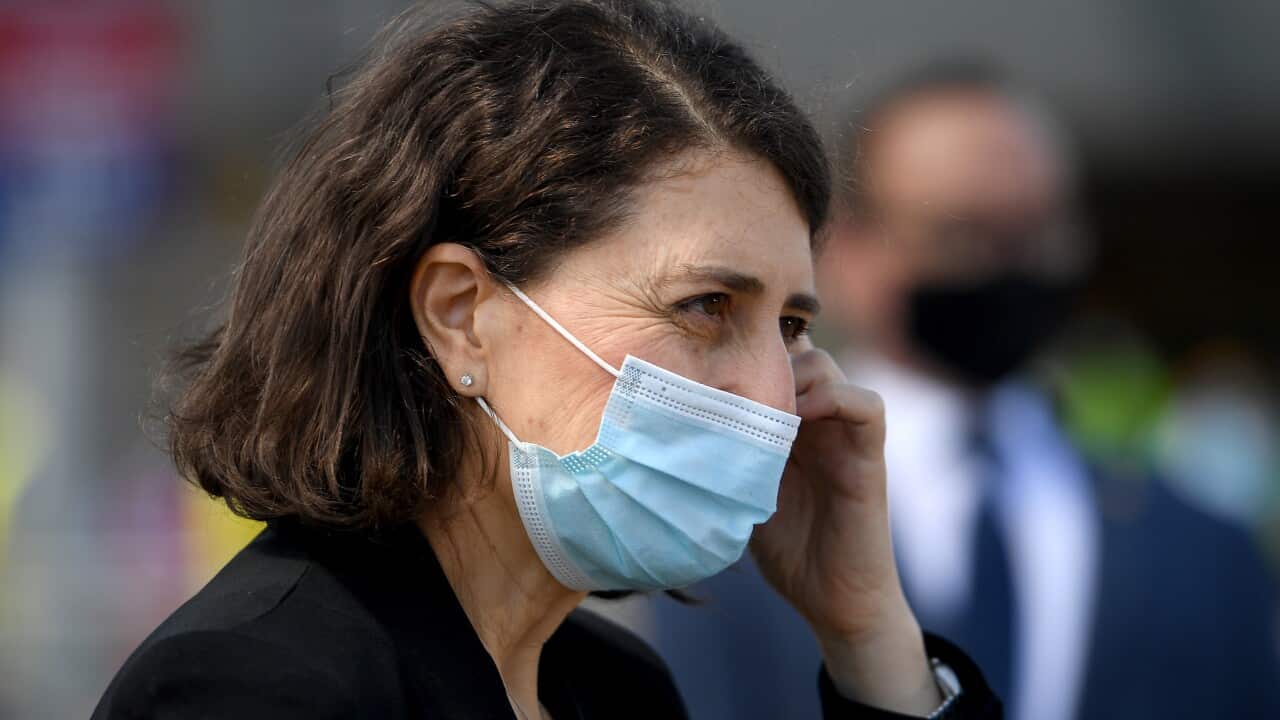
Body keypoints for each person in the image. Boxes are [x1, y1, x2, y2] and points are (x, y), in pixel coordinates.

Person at [90, 3, 1003, 719]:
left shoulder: (615, 688)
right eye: (705, 307)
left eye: (793, 327)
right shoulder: (256, 685)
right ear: (460, 318)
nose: (770, 395)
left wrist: (868, 628)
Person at [648, 60, 1280, 720]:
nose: (1005, 266)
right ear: (849, 248)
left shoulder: (1206, 544)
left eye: (1035, 231)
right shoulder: (733, 521)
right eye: (961, 234)